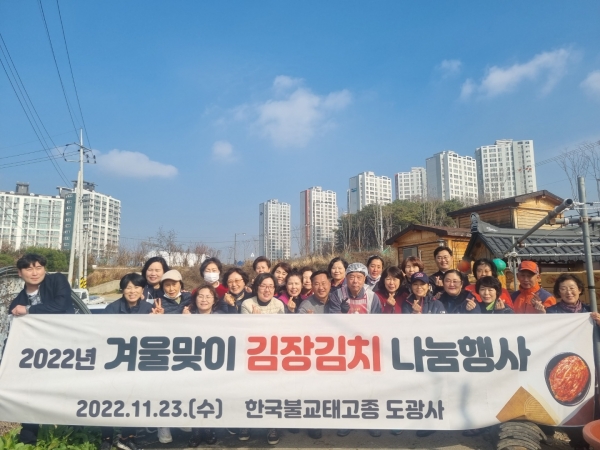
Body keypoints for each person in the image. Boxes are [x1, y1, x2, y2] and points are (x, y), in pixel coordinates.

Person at [10, 253, 74, 445]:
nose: (35, 272)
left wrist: (29, 310)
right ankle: (28, 439)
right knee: (32, 393)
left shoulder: (57, 281)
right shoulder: (17, 303)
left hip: (66, 349)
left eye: (39, 268)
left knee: (70, 390)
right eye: (29, 269)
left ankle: (75, 433)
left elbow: (61, 305)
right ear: (20, 273)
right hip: (37, 355)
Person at [101, 273, 152, 450]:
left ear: (142, 290)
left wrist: (160, 320)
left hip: (138, 362)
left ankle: (128, 436)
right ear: (122, 290)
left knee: (132, 399)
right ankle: (106, 437)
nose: (132, 291)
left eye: (136, 287)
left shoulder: (149, 309)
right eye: (128, 287)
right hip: (115, 361)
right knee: (109, 398)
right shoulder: (112, 308)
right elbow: (103, 333)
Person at [239, 272, 284, 445]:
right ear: (256, 287)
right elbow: (247, 332)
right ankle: (246, 424)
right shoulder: (247, 304)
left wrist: (259, 321)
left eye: (271, 286)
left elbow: (281, 332)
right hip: (251, 356)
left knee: (272, 392)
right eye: (263, 286)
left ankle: (271, 426)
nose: (267, 290)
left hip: (273, 356)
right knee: (249, 391)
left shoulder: (279, 305)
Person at [297, 270, 332, 439]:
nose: (321, 287)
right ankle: (313, 421)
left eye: (324, 283)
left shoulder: (338, 300)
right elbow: (298, 333)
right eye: (316, 284)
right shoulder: (306, 306)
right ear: (312, 286)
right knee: (313, 389)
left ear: (330, 284)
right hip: (314, 355)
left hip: (337, 354)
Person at [184, 285, 220, 445]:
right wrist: (184, 322)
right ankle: (196, 431)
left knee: (210, 396)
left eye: (208, 296)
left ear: (214, 300)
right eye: (200, 296)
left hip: (215, 365)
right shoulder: (187, 316)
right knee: (194, 396)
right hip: (193, 364)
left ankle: (209, 429)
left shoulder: (222, 318)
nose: (204, 300)